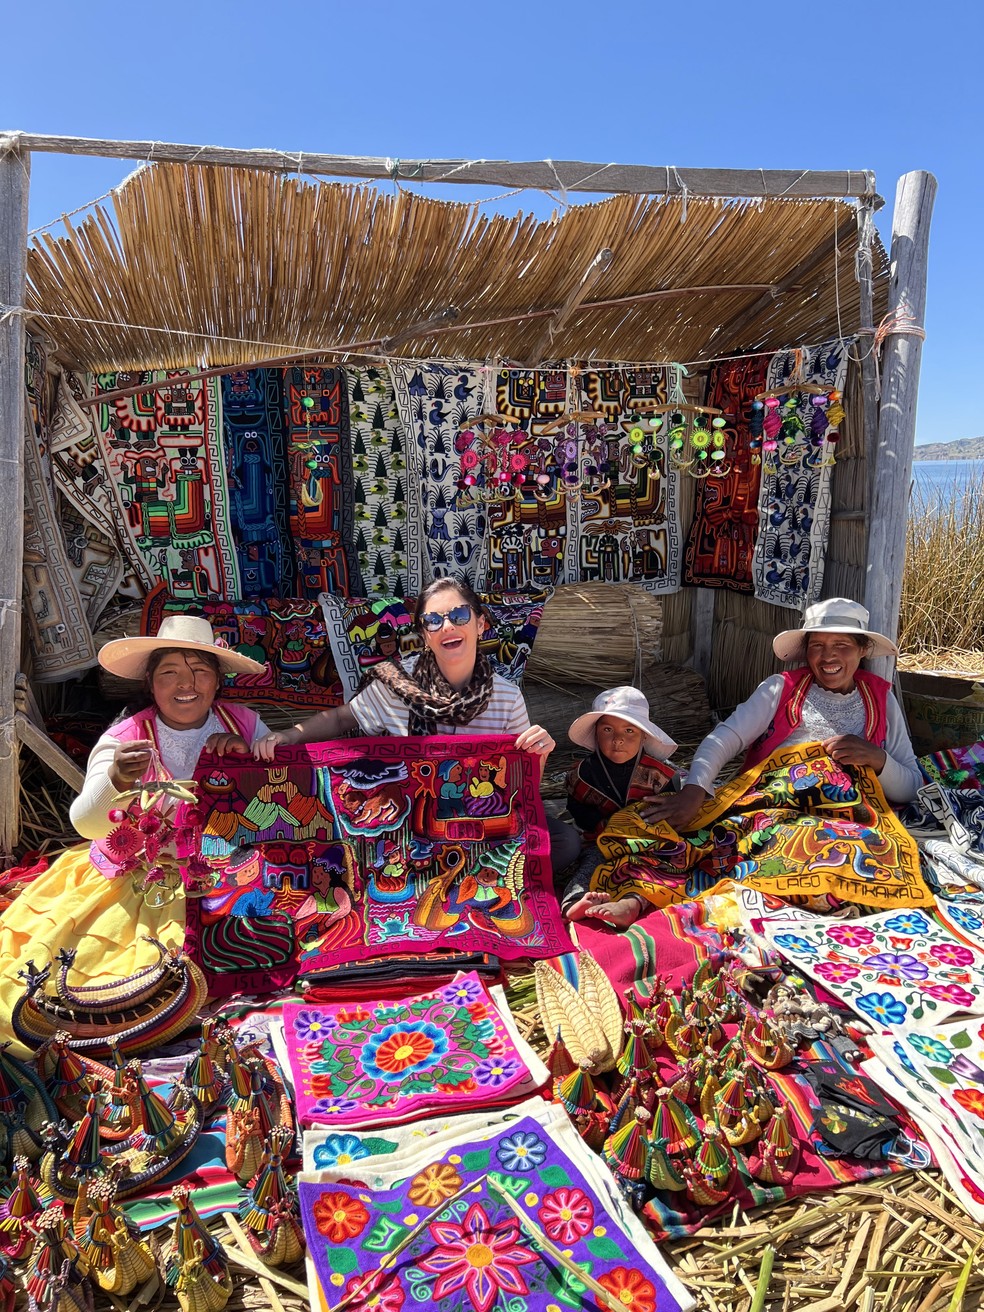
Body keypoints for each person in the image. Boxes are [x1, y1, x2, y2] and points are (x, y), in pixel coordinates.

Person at [0, 616, 268, 1050]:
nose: (187, 684)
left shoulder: (246, 725)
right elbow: (86, 824)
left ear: (218, 680)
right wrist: (117, 783)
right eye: (170, 674)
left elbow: (280, 802)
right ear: (150, 682)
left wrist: (252, 765)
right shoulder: (125, 738)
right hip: (139, 876)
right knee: (106, 963)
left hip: (224, 866)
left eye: (200, 671)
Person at [586, 598, 926, 926]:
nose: (828, 656)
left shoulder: (882, 701)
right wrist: (694, 790)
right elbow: (725, 738)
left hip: (844, 820)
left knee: (842, 856)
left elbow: (913, 785)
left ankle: (660, 899)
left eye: (842, 645)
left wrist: (878, 759)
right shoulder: (780, 689)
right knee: (684, 836)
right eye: (817, 645)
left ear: (863, 649)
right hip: (769, 808)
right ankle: (639, 896)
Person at [255, 576, 582, 875]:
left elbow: (519, 787)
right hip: (406, 817)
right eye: (433, 620)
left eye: (459, 616)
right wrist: (290, 735)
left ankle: (452, 868)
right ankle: (452, 868)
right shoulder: (400, 684)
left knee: (564, 842)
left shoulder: (506, 697)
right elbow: (343, 717)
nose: (447, 627)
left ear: (480, 624)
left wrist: (538, 754)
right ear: (425, 635)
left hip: (475, 816)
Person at [560, 687, 678, 927]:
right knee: (590, 866)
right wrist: (599, 825)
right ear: (595, 734)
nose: (618, 739)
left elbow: (672, 816)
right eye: (607, 730)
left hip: (648, 845)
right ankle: (575, 902)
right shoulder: (582, 774)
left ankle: (631, 903)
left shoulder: (662, 775)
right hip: (602, 842)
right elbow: (575, 805)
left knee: (661, 866)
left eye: (629, 730)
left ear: (644, 735)